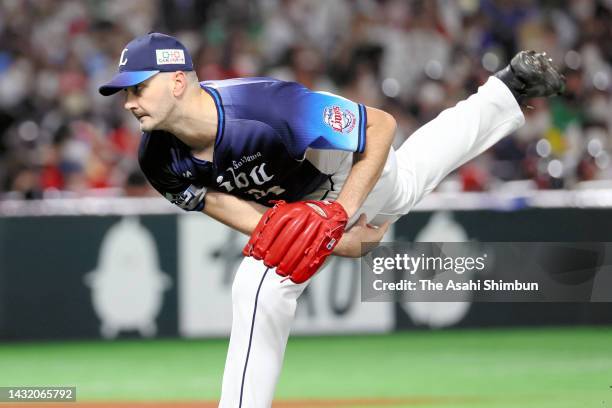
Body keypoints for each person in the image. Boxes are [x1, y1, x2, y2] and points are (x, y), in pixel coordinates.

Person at [99, 32, 564, 407]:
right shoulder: (157, 157)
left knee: (258, 283)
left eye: (138, 87)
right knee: (410, 180)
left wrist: (338, 216)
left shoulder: (267, 107)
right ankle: (508, 90)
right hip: (304, 201)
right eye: (125, 91)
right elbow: (223, 206)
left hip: (348, 167)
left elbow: (379, 126)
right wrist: (332, 240)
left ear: (178, 81)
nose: (129, 102)